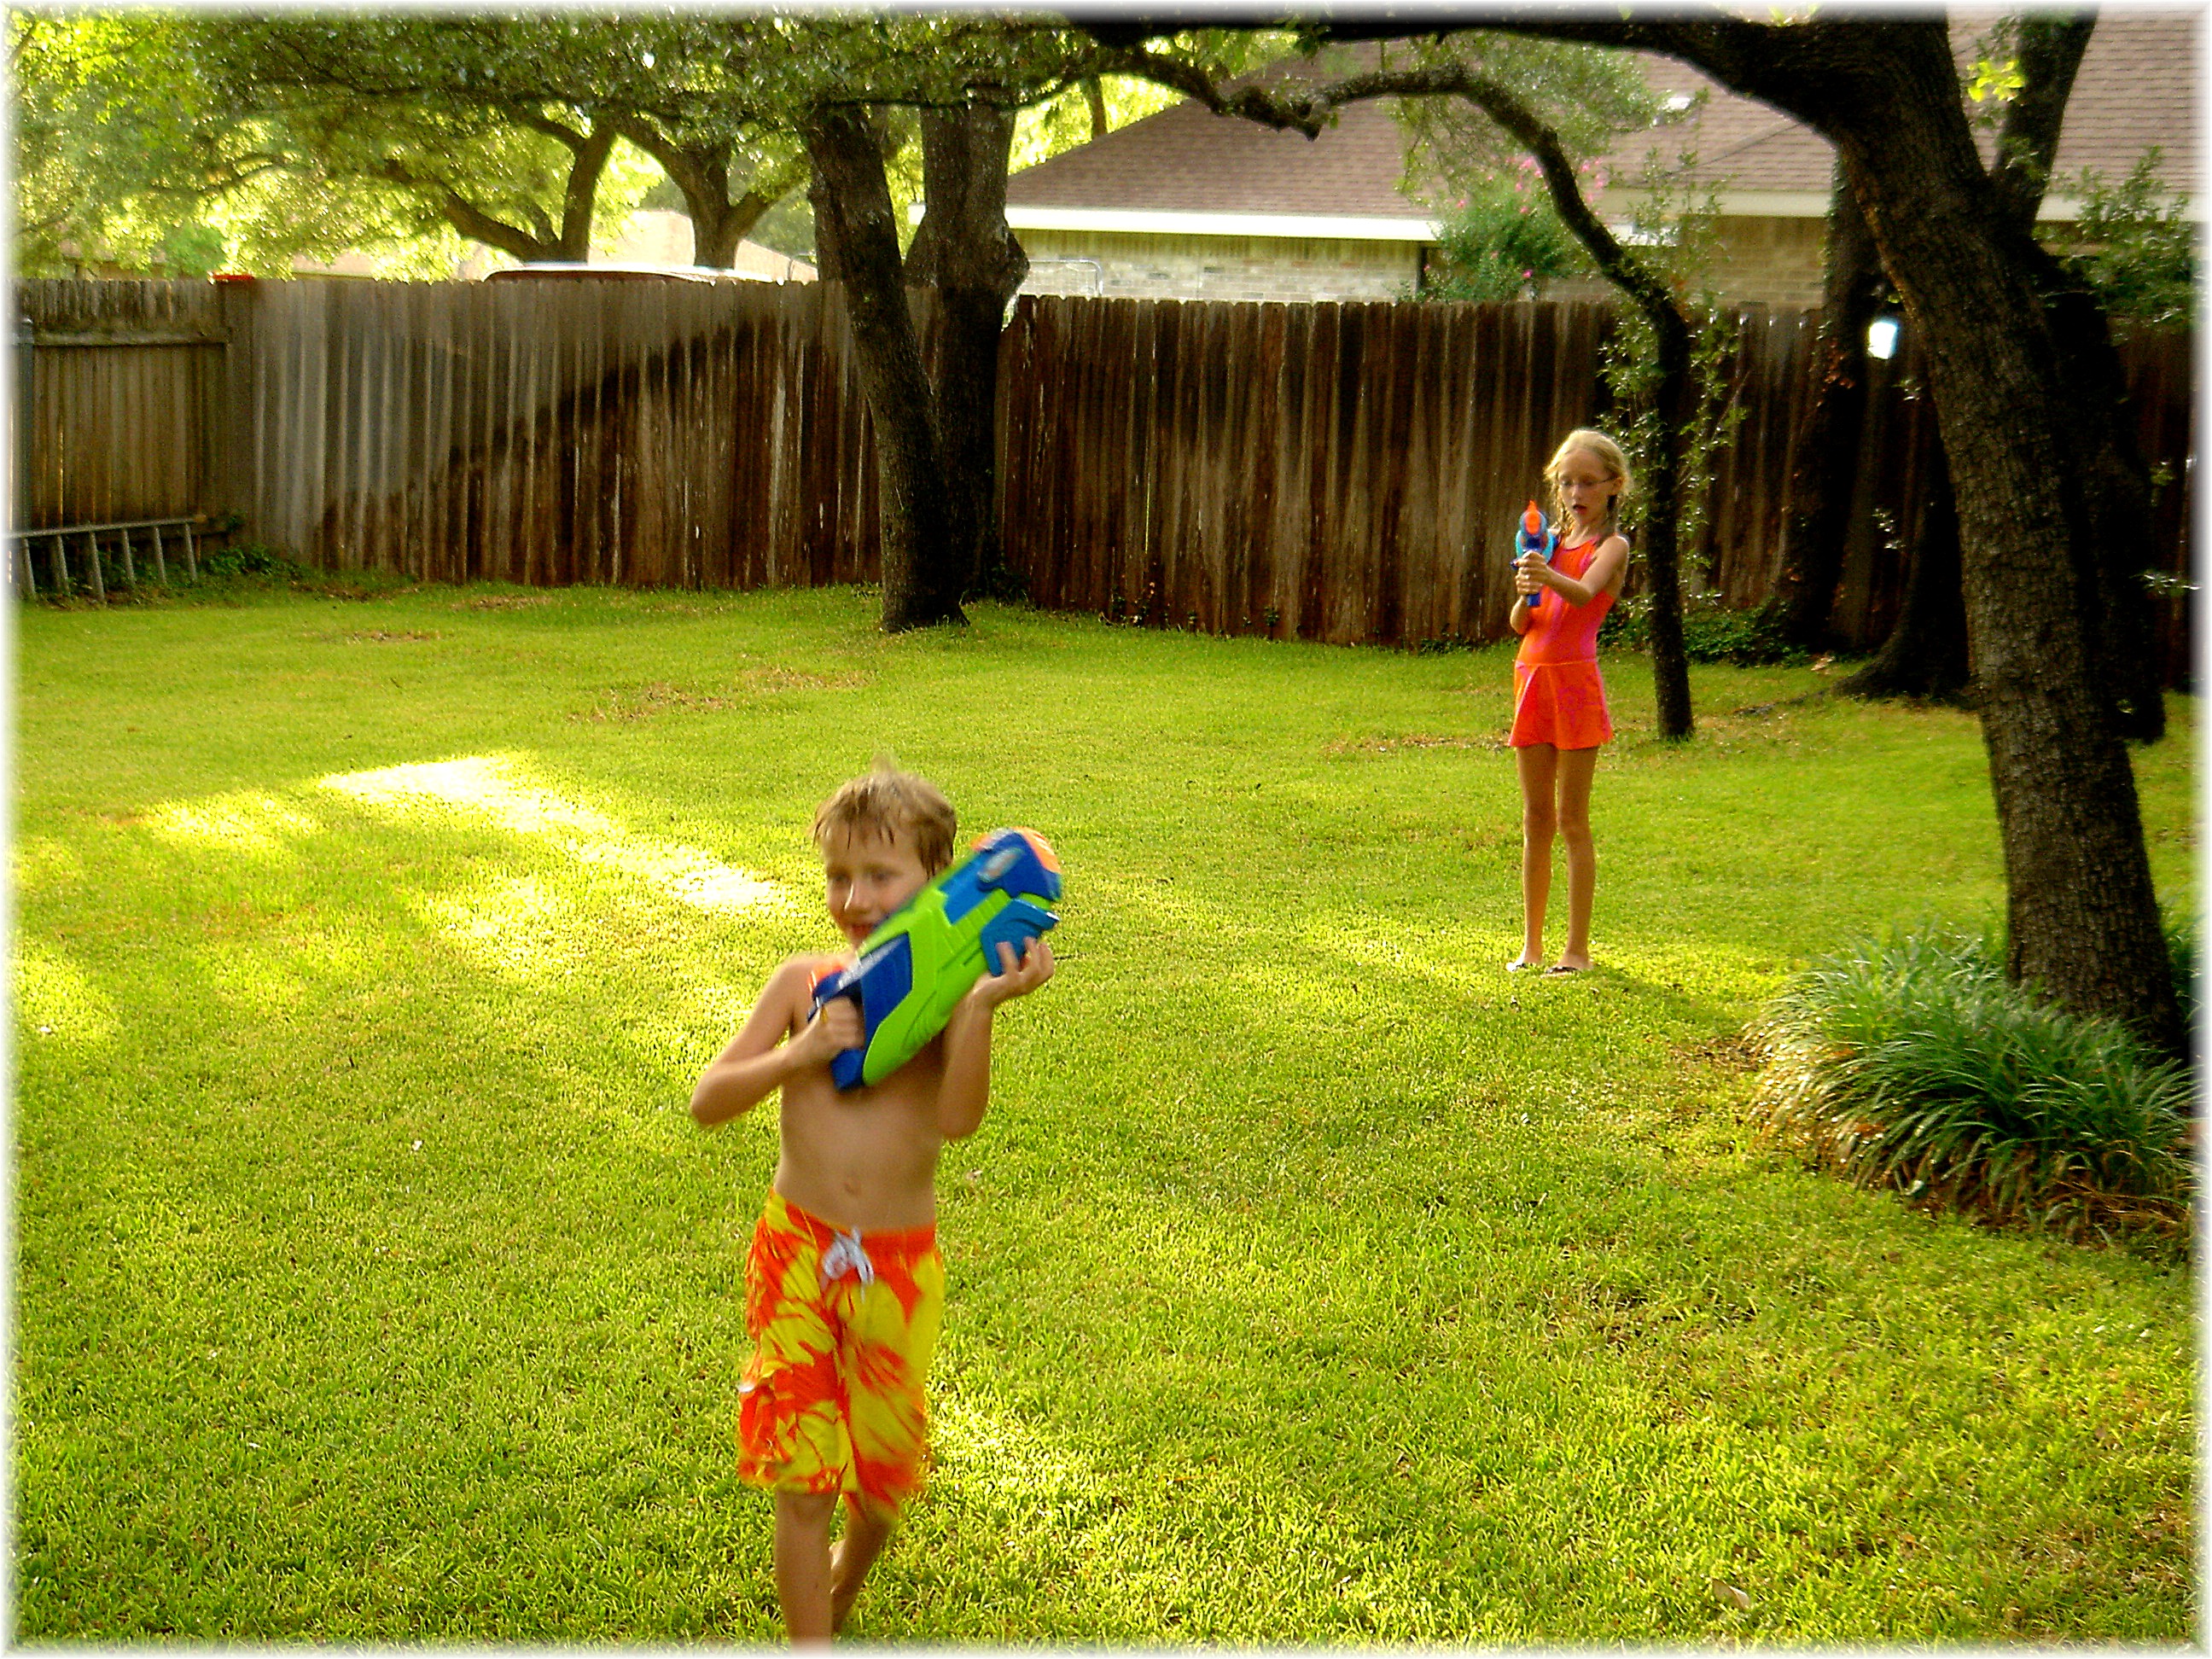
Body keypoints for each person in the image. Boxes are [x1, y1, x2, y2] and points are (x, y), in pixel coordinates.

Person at [690, 765, 1055, 1644]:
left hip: (896, 1269)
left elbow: (957, 1121)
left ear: (937, 882)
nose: (854, 899)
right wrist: (800, 1051)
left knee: (884, 1479)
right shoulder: (802, 983)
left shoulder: (944, 1004)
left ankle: (844, 1582)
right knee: (803, 1481)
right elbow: (708, 1100)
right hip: (796, 1254)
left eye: (881, 876)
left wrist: (981, 1004)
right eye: (838, 876)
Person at [1506, 428, 1632, 975]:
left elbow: (1582, 595)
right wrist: (1525, 591)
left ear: (1614, 485)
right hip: (1532, 679)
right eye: (1566, 482)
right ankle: (1531, 946)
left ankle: (1576, 950)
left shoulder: (1612, 547)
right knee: (1536, 818)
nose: (1575, 492)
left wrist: (1546, 573)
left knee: (1572, 821)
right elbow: (1523, 624)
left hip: (1576, 685)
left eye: (1587, 482)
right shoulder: (1548, 543)